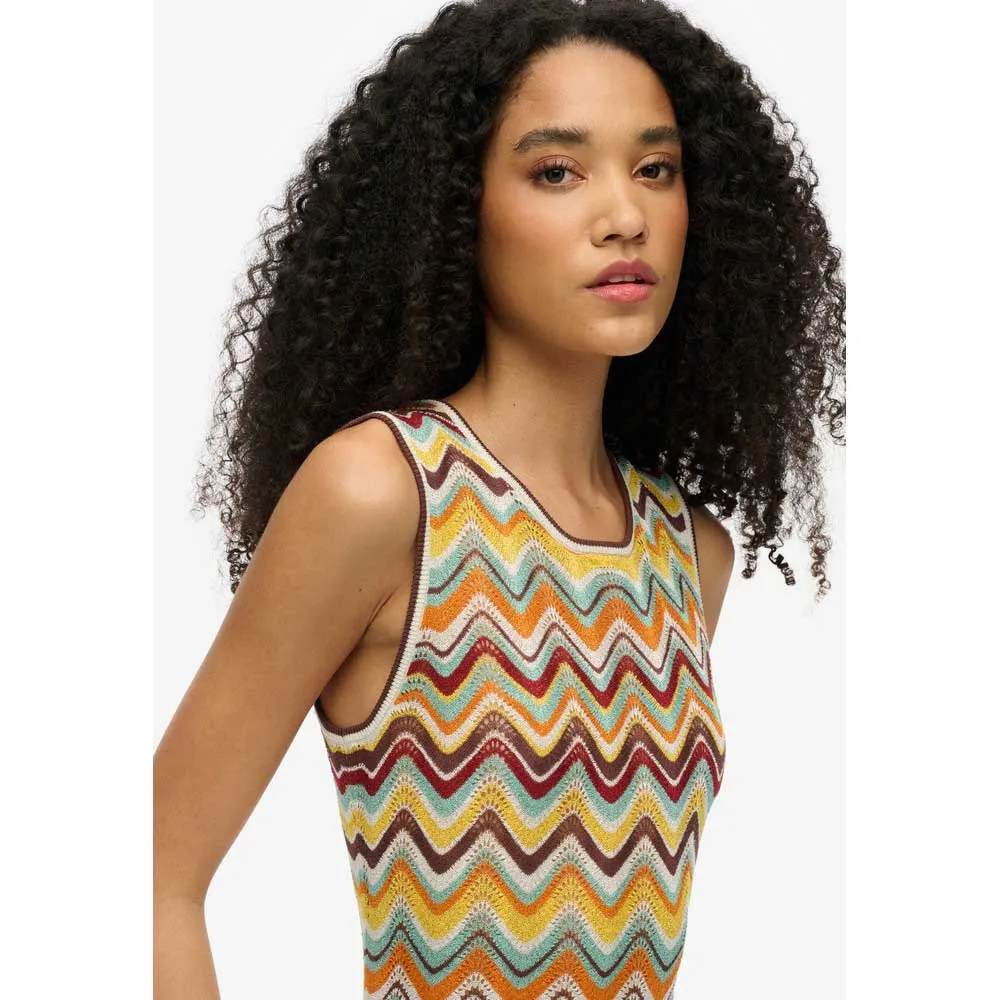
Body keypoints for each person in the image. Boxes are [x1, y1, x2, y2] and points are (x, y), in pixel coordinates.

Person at [154, 0, 845, 997]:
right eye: (557, 171)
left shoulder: (687, 550)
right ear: (455, 210)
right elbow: (155, 876)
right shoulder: (385, 493)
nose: (625, 215)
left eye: (656, 169)